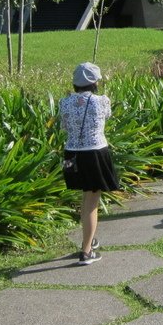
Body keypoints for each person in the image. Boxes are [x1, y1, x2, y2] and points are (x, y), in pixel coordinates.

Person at [59, 62, 120, 266]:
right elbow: (106, 118)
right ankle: (86, 252)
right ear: (94, 82)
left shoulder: (64, 103)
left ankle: (89, 237)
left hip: (72, 155)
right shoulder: (101, 101)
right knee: (92, 202)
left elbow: (65, 127)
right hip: (95, 153)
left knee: (86, 198)